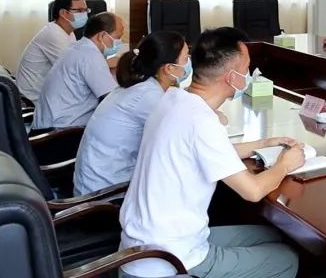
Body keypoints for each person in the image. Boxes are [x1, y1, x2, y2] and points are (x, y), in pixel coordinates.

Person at [119, 27, 303, 278]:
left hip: (145, 245)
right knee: (287, 259)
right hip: (169, 260)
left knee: (272, 235)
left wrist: (265, 143)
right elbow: (252, 191)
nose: (249, 74)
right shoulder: (202, 121)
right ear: (231, 77)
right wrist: (285, 165)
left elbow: (208, 151)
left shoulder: (174, 99)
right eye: (247, 68)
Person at [73, 30, 188, 196]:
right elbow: (184, 137)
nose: (188, 62)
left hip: (102, 182)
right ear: (169, 68)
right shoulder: (148, 96)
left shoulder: (142, 85)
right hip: (106, 195)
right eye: (186, 58)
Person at [32, 12, 124, 129]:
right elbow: (112, 99)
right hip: (60, 132)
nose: (119, 42)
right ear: (102, 36)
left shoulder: (78, 47)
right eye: (118, 37)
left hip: (50, 124)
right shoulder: (90, 55)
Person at [15, 0, 87, 101]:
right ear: (63, 13)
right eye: (80, 11)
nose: (84, 14)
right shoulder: (53, 34)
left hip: (48, 93)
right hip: (32, 99)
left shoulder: (69, 32)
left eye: (86, 10)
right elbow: (74, 70)